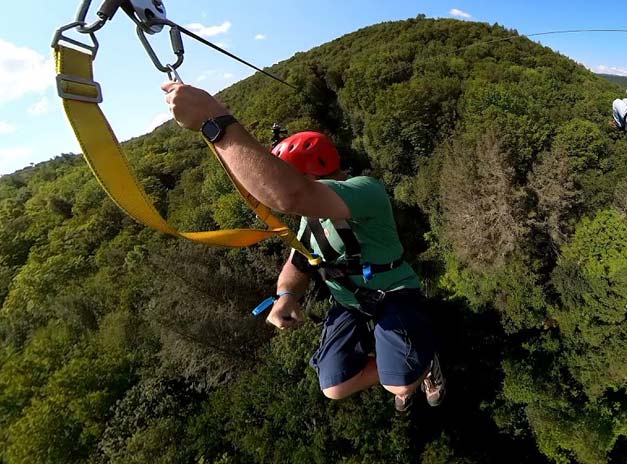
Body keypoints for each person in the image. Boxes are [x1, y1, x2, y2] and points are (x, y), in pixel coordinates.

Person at [161, 82, 445, 412]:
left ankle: (418, 366)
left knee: (400, 384)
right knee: (334, 386)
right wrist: (287, 295)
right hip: (351, 300)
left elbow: (288, 194)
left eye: (292, 175)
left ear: (312, 176)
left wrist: (215, 120)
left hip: (394, 292)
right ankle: (404, 364)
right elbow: (299, 261)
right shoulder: (311, 220)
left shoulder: (365, 190)